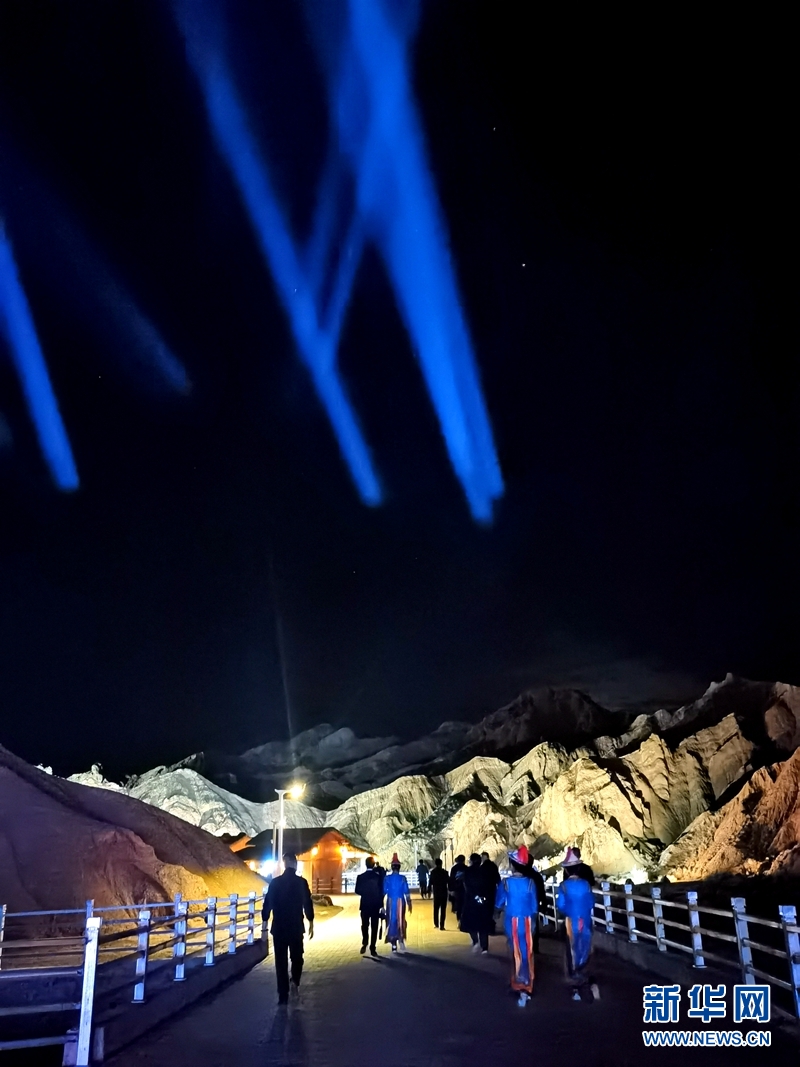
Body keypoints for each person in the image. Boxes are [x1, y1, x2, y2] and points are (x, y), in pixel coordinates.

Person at [262, 851, 314, 1005]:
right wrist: (311, 920)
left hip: (279, 927)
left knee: (281, 961)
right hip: (296, 926)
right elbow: (307, 902)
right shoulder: (301, 883)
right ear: (294, 864)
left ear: (284, 864)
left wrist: (265, 920)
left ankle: (283, 995)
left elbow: (268, 902)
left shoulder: (275, 883)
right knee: (297, 957)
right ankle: (295, 981)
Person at [494, 845, 538, 1007]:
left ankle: (517, 983)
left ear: (513, 865)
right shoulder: (530, 883)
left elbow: (499, 901)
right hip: (527, 920)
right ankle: (527, 983)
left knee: (514, 951)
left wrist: (496, 911)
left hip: (511, 920)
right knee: (527, 951)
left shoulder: (506, 883)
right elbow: (534, 906)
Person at [557, 855, 598, 1001]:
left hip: (571, 921)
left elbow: (560, 905)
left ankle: (575, 987)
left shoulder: (563, 886)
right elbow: (591, 902)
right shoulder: (586, 884)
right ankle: (585, 979)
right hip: (585, 920)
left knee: (571, 952)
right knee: (585, 950)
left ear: (567, 870)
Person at [460, 853, 491, 953]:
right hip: (483, 900)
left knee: (470, 922)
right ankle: (484, 947)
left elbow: (466, 886)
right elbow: (488, 886)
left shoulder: (467, 872)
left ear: (471, 861)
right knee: (483, 924)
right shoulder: (484, 871)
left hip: (471, 900)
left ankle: (475, 941)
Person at [355, 856, 384, 957]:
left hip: (365, 904)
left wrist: (365, 893)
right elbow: (381, 892)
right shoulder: (378, 877)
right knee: (374, 926)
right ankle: (373, 947)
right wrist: (381, 905)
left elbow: (357, 890)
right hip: (375, 904)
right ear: (374, 864)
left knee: (364, 925)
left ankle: (365, 941)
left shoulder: (360, 877)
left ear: (365, 864)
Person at [383, 853, 412, 952]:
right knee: (401, 919)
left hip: (391, 902)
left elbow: (384, 891)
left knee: (391, 921)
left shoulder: (387, 878)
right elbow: (406, 891)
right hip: (400, 901)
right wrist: (409, 903)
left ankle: (393, 944)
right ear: (399, 868)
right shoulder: (403, 878)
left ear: (392, 867)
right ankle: (401, 939)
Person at [480, 851, 501, 933]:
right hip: (492, 890)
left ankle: (487, 926)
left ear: (484, 857)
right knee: (491, 908)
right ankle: (491, 926)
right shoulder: (493, 866)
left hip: (484, 891)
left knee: (485, 908)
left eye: (482, 857)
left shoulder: (482, 867)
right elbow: (497, 877)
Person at [429, 857, 449, 929]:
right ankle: (442, 925)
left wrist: (429, 890)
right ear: (441, 864)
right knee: (443, 909)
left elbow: (430, 882)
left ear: (435, 864)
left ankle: (436, 923)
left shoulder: (433, 872)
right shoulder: (445, 872)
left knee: (436, 909)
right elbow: (448, 881)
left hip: (436, 892)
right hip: (444, 892)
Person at [449, 854, 467, 921]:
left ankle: (459, 919)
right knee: (464, 904)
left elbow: (451, 879)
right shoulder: (466, 868)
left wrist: (451, 889)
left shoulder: (454, 868)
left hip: (456, 889)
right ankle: (463, 919)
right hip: (465, 889)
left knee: (458, 904)